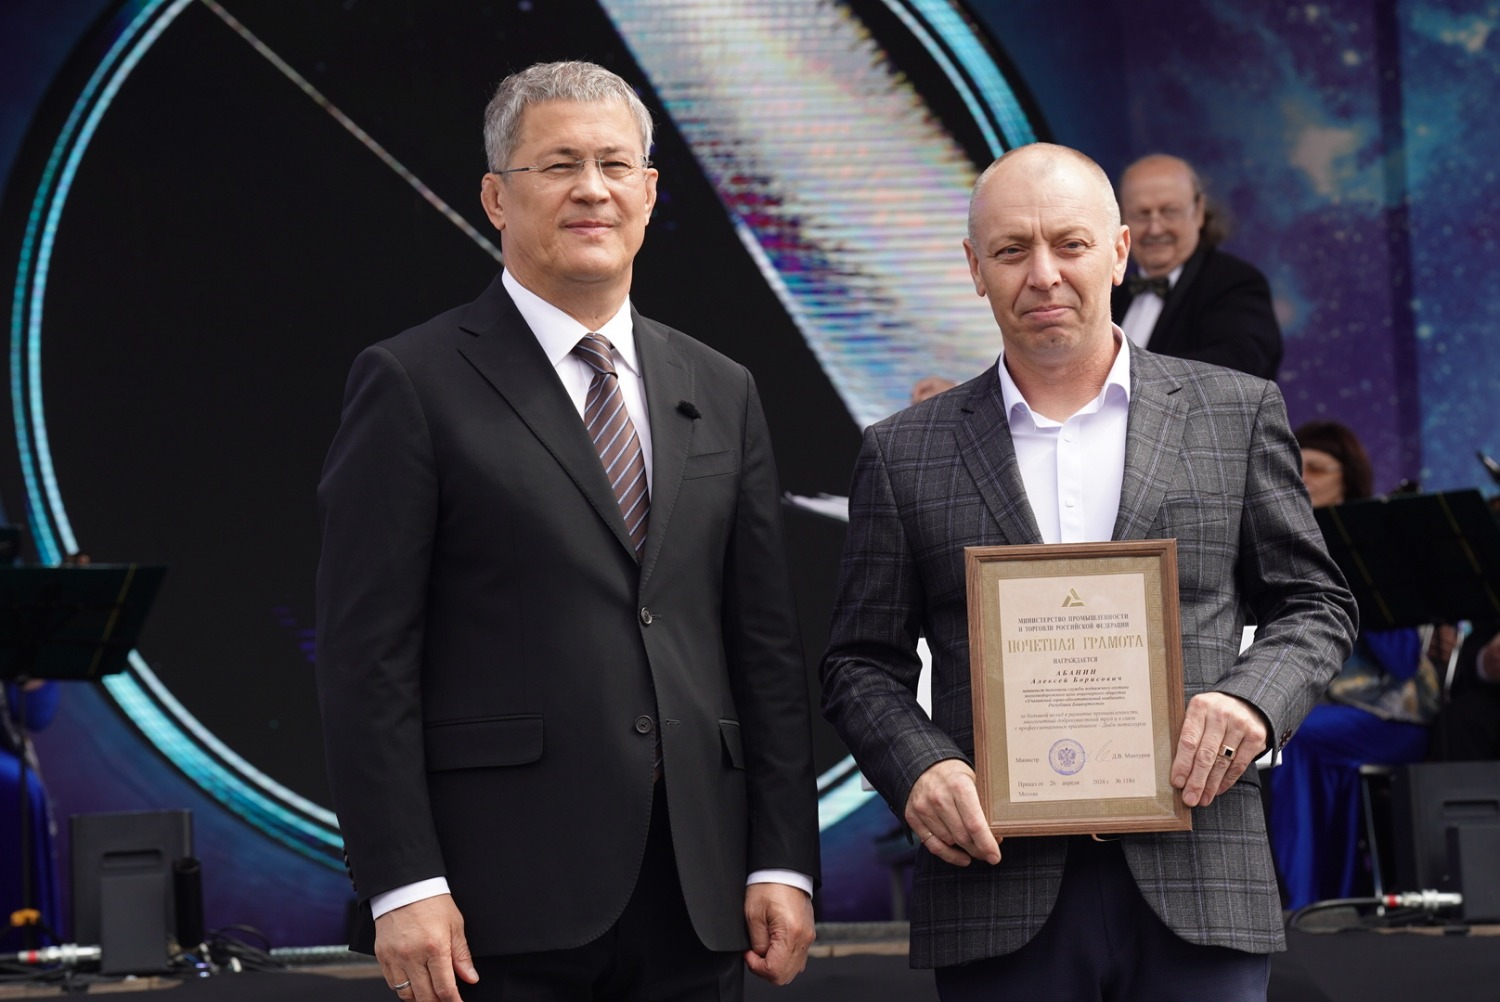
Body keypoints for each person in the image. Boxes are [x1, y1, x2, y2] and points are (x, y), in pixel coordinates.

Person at [316, 61, 819, 1002]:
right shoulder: (411, 382)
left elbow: (765, 650)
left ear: (650, 192)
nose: (593, 188)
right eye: (558, 165)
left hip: (699, 895)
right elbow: (365, 658)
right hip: (496, 904)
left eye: (615, 165)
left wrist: (782, 858)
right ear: (494, 198)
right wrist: (403, 881)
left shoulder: (722, 387)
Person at [820, 142, 1356, 1000]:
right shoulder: (903, 453)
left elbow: (1316, 604)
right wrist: (918, 766)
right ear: (975, 269)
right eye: (1011, 250)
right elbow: (859, 661)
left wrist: (1253, 703)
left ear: (1117, 252)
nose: (1043, 274)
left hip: (1199, 878)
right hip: (995, 887)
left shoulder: (1234, 413)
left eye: (1069, 244)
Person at [1268, 420, 1448, 909]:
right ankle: (1317, 893)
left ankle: (1304, 903)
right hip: (1317, 713)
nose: (1302, 478)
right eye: (1295, 466)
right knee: (1273, 733)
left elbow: (1401, 661)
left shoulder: (1376, 546)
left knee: (1293, 739)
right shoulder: (1282, 541)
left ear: (1348, 479)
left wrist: (1354, 576)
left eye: (1317, 468)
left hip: (1392, 716)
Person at [1111, 154, 1283, 380]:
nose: (1155, 229)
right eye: (1141, 214)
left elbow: (1240, 369)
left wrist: (1130, 380)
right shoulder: (1113, 293)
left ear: (1199, 211)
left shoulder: (1236, 283)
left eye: (1169, 211)